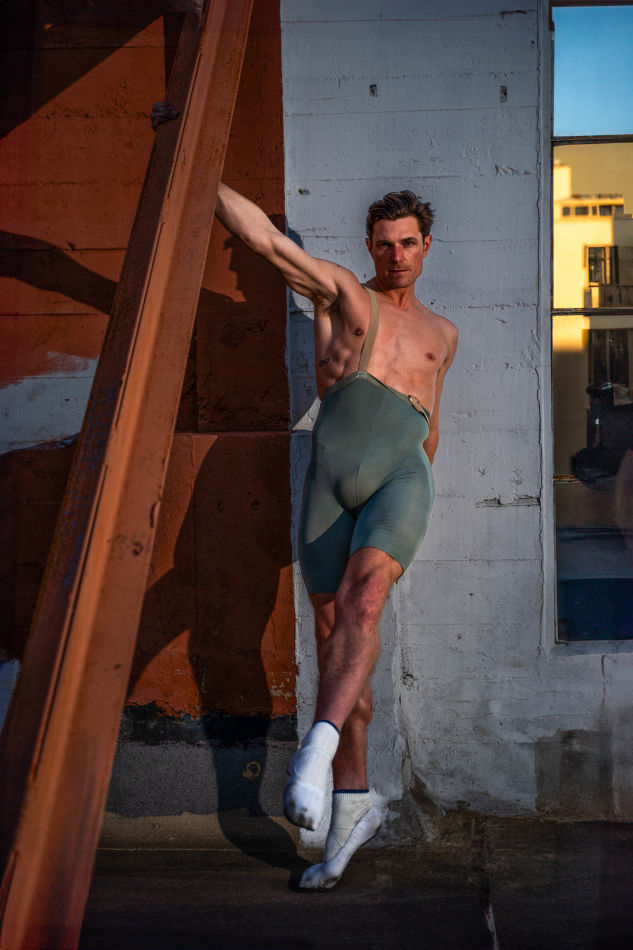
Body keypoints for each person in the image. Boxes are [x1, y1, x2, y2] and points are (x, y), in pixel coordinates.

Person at [215, 184, 458, 889]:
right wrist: (197, 175)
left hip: (399, 480)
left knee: (364, 600)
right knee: (335, 646)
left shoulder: (443, 335)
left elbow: (430, 426)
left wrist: (409, 493)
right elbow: (266, 243)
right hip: (330, 485)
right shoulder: (346, 296)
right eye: (384, 243)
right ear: (368, 246)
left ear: (426, 246)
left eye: (408, 242)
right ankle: (353, 809)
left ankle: (313, 752)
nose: (397, 255)